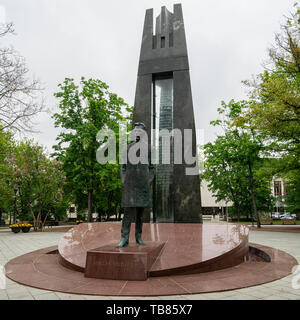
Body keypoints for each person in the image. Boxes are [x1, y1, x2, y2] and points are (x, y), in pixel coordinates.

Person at [116, 122, 155, 248]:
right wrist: (124, 181)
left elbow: (152, 168)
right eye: (135, 131)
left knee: (140, 214)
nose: (137, 133)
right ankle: (124, 238)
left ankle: (138, 237)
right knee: (127, 213)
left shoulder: (150, 149)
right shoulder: (127, 149)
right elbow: (122, 167)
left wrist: (148, 181)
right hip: (130, 186)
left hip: (143, 186)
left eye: (140, 132)